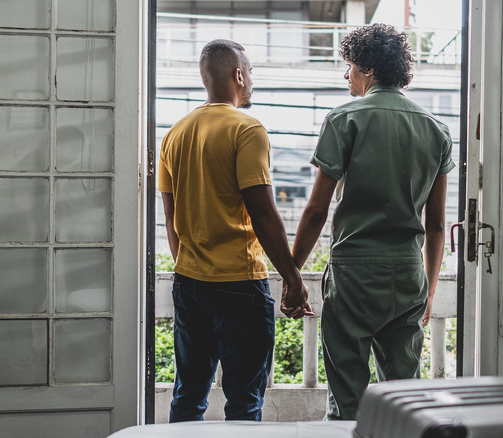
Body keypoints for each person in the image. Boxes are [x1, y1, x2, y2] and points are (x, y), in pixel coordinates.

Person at [290, 23, 455, 420]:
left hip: (355, 275)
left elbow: (315, 211)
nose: (346, 75)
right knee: (404, 401)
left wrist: (292, 273)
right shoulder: (437, 130)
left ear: (366, 68)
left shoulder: (344, 119)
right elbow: (435, 227)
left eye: (348, 66)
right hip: (409, 274)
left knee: (348, 402)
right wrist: (428, 291)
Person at [158, 39, 311, 422]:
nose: (252, 79)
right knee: (244, 402)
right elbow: (262, 211)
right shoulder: (247, 129)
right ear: (239, 76)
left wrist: (190, 267)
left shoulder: (174, 134)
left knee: (188, 394)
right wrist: (292, 276)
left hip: (190, 282)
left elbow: (170, 216)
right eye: (252, 72)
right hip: (240, 285)